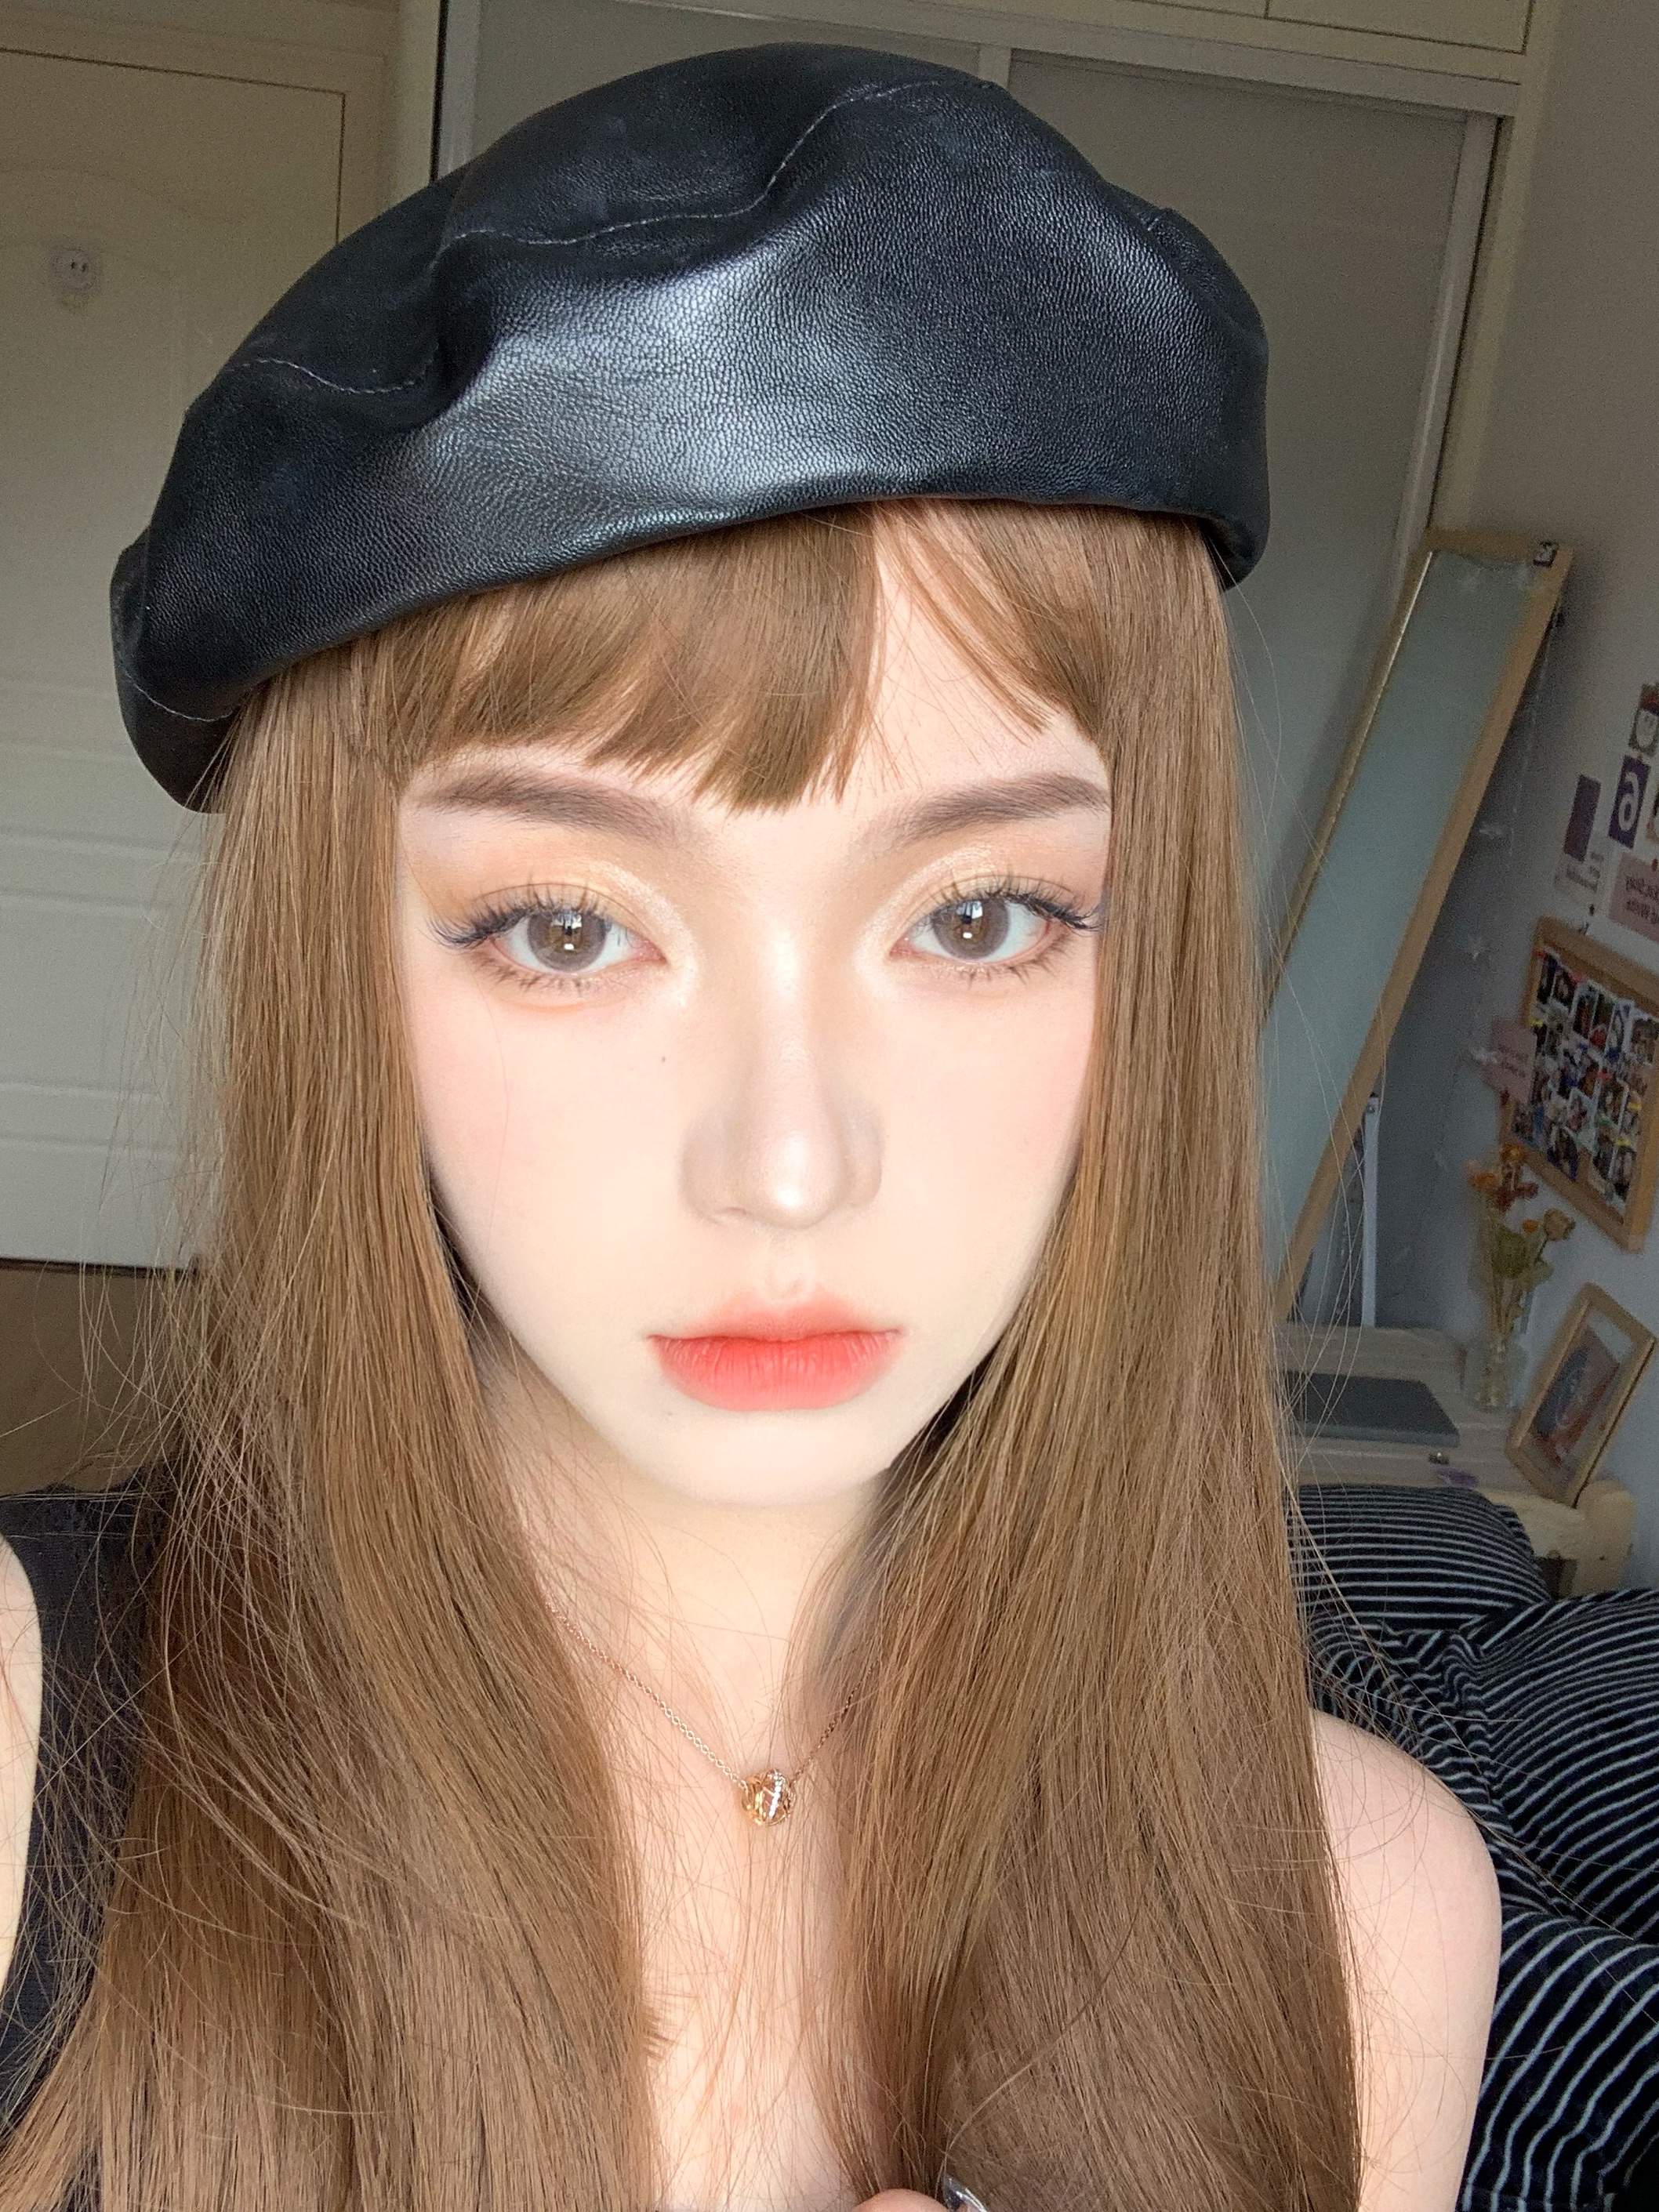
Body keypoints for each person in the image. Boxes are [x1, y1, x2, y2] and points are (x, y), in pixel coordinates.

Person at [0, 45, 1498, 2212]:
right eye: (568, 928)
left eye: (976, 917)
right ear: (352, 977)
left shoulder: (1364, 1926)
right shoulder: (29, 1767)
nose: (789, 1168)